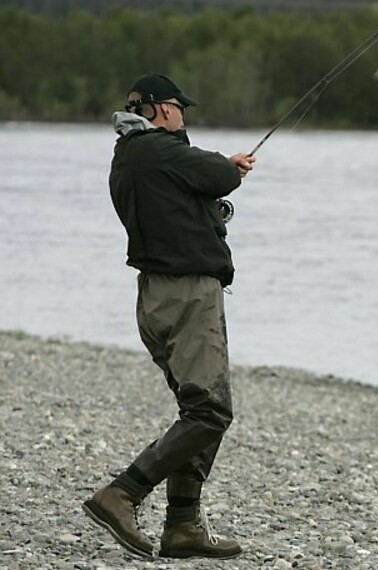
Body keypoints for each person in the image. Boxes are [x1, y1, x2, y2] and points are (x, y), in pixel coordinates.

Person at [83, 73, 255, 560]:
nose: (185, 117)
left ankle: (182, 526)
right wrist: (227, 166)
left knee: (199, 412)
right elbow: (216, 175)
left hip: (158, 296)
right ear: (161, 109)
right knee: (209, 412)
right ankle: (121, 494)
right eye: (181, 108)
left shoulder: (132, 158)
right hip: (186, 296)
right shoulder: (157, 150)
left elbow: (199, 178)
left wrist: (219, 168)